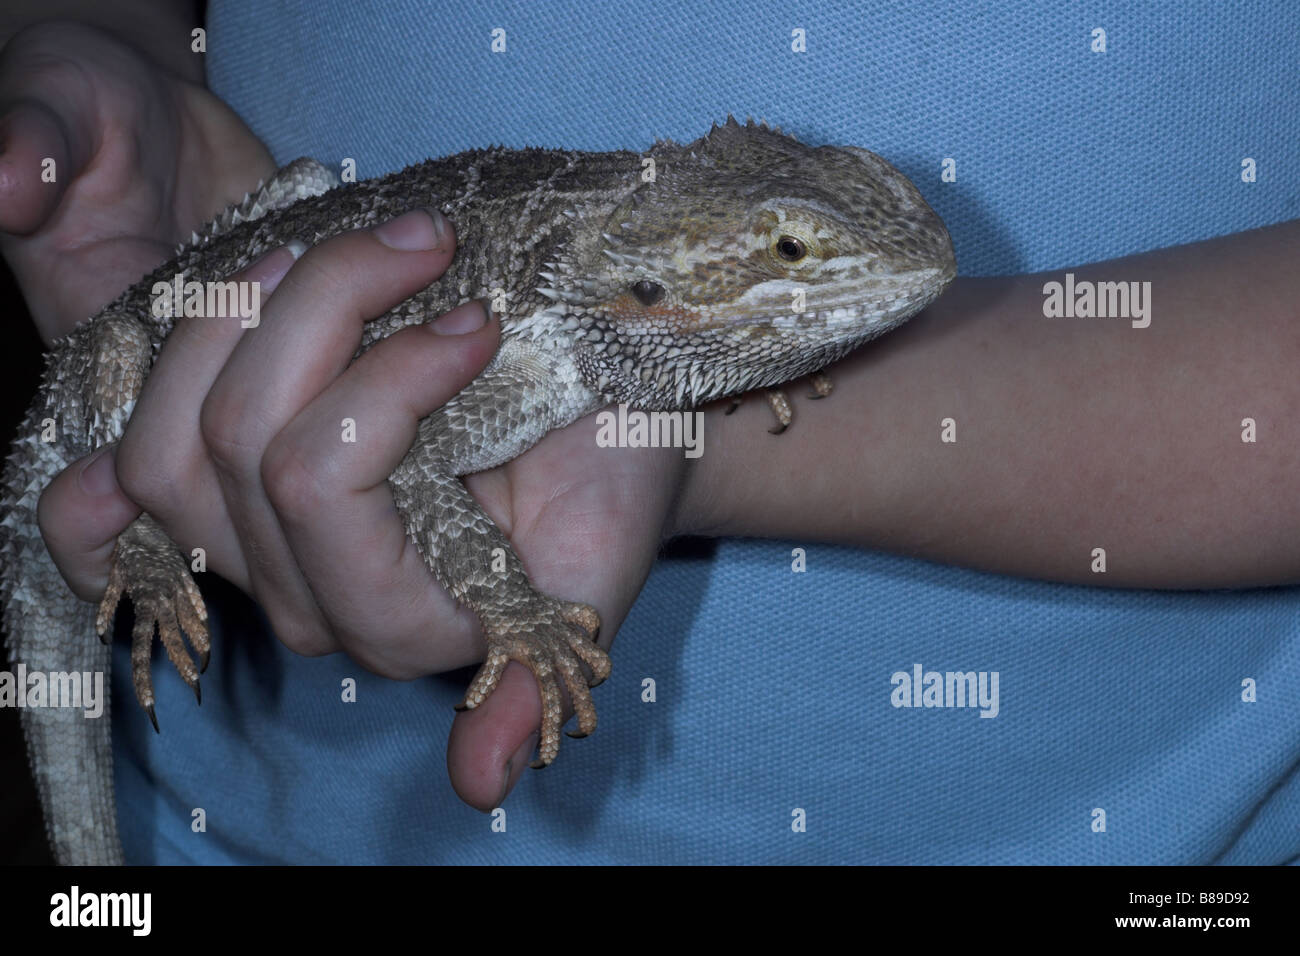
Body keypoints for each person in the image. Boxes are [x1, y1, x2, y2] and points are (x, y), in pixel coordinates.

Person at [1, 1, 1297, 863]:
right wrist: (127, 41)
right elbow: (415, 465)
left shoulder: (607, 340)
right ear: (666, 284)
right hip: (227, 784)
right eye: (788, 255)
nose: (870, 273)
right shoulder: (561, 337)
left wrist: (727, 401)